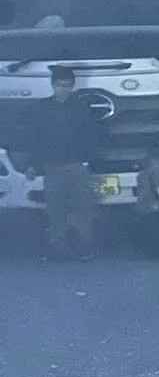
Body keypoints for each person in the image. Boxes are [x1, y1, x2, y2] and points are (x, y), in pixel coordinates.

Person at [25, 66, 103, 260]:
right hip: (53, 167)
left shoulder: (81, 108)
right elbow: (36, 139)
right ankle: (57, 248)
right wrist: (33, 165)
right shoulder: (41, 108)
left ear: (73, 86)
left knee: (83, 209)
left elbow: (91, 137)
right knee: (55, 210)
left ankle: (85, 247)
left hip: (77, 165)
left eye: (68, 86)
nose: (64, 89)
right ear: (53, 85)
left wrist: (91, 162)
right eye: (60, 85)